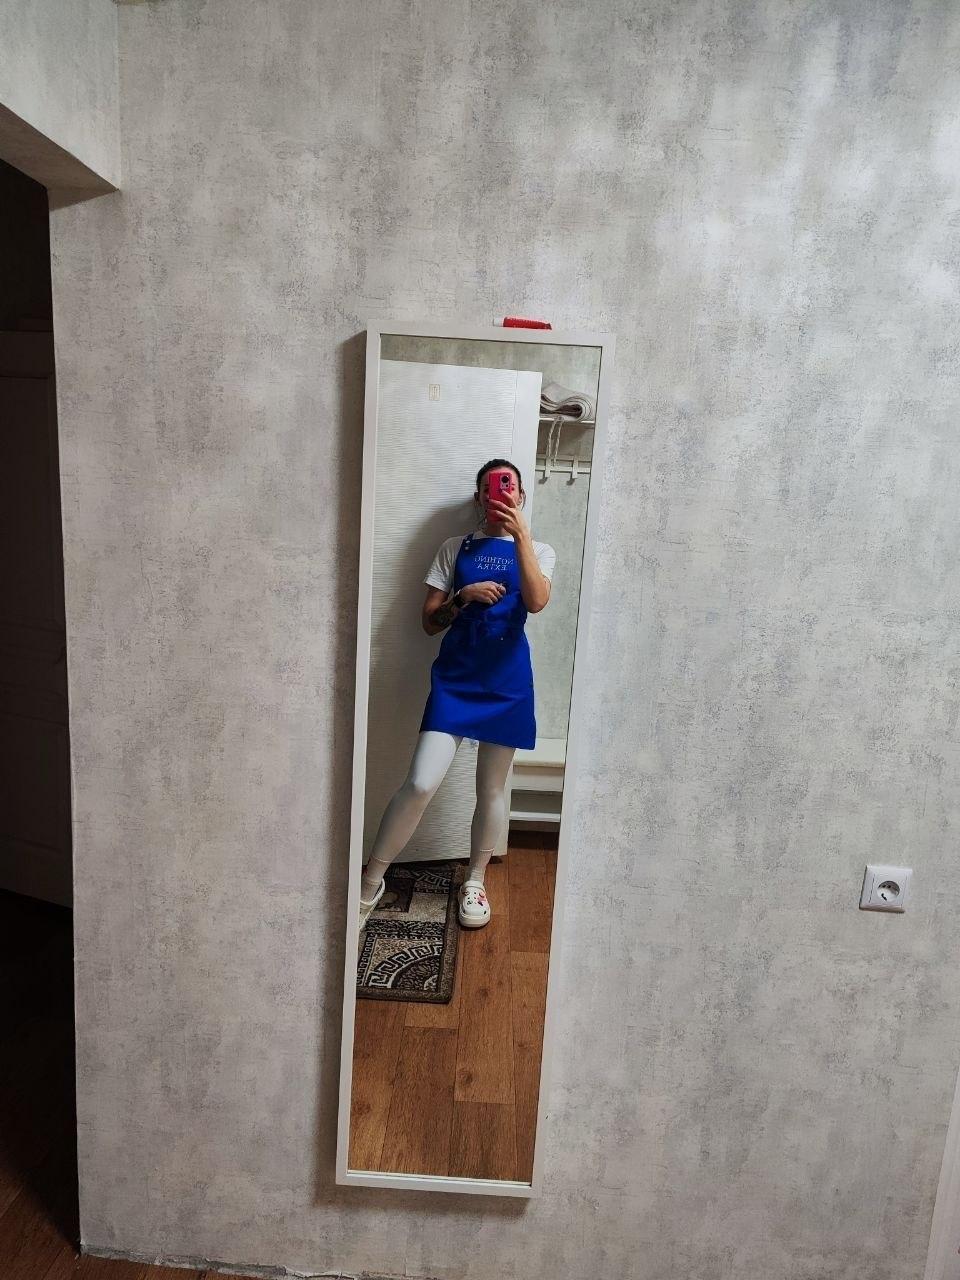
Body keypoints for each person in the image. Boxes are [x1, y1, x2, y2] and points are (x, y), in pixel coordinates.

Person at [359, 458, 555, 930]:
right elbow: (429, 623)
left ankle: (475, 880)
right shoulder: (454, 547)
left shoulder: (539, 550)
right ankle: (371, 882)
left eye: (509, 487)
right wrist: (462, 596)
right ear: (479, 497)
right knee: (420, 782)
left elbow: (537, 601)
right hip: (455, 681)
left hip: (507, 684)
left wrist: (521, 536)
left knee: (491, 788)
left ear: (521, 496)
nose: (500, 495)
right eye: (491, 488)